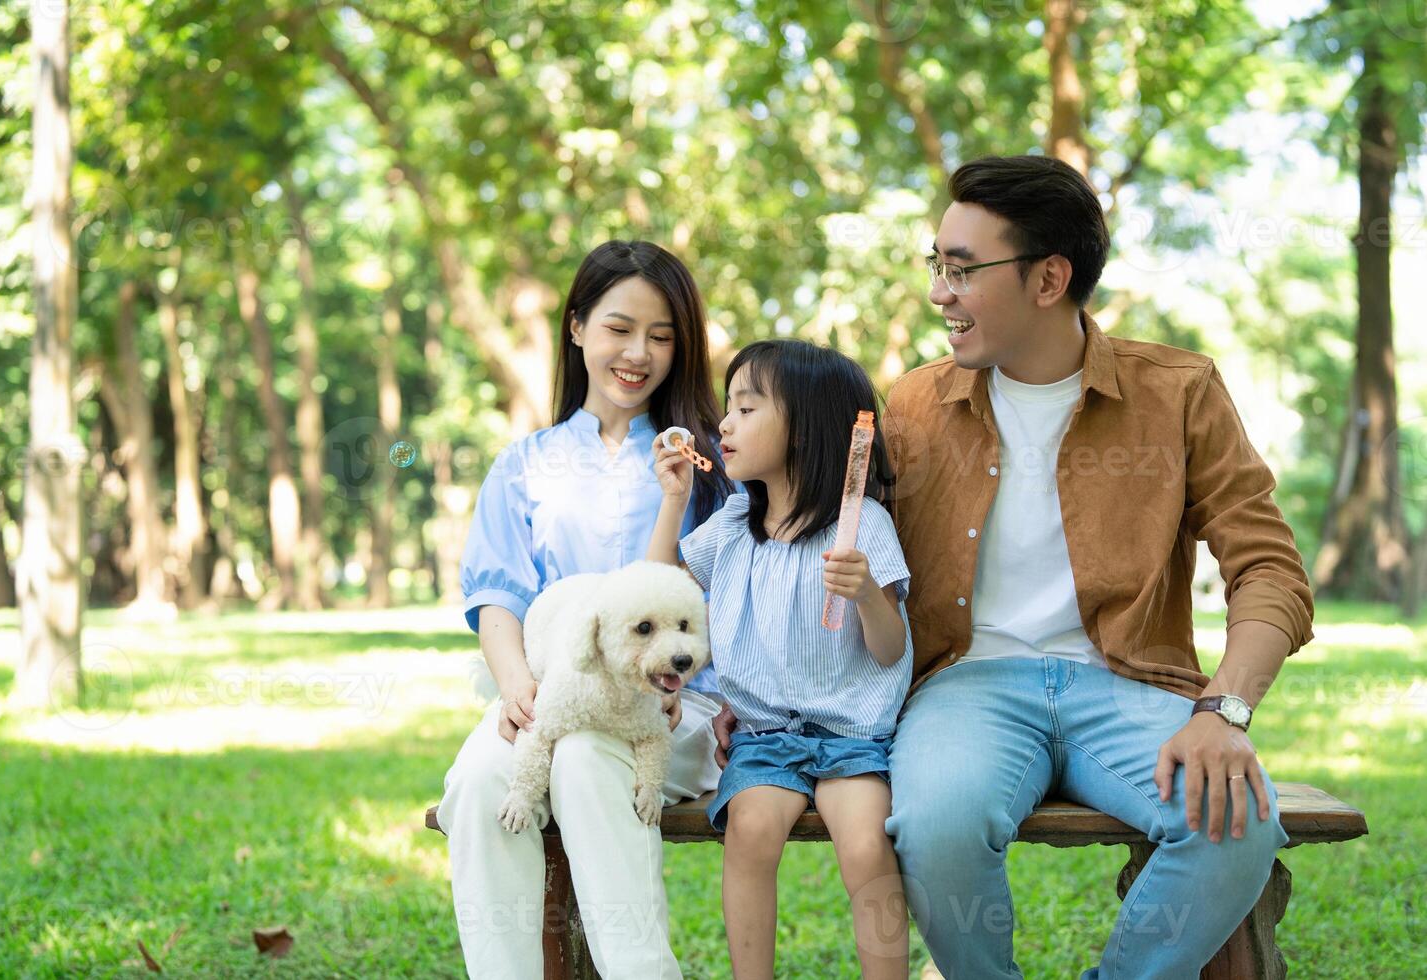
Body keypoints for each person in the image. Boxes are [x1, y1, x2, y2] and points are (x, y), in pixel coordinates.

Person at [870, 154, 1313, 978]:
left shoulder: (1178, 392)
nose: (940, 292)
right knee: (936, 821)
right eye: (937, 264)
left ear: (1048, 280)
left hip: (1133, 686)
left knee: (1239, 818)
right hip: (968, 686)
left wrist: (1226, 711)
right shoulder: (913, 406)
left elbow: (1270, 570)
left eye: (961, 270)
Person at [437, 240, 734, 979]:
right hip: (549, 692)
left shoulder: (704, 465)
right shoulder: (526, 463)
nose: (639, 353)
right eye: (619, 328)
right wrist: (515, 688)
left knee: (582, 760)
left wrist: (673, 688)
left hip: (675, 705)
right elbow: (497, 596)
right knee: (479, 784)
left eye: (662, 336)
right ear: (576, 329)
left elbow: (684, 612)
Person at [648, 339, 913, 980]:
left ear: (805, 431)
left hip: (852, 736)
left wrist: (870, 593)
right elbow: (655, 594)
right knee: (750, 832)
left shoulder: (864, 525)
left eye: (745, 408)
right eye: (727, 409)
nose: (724, 425)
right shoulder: (734, 526)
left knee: (865, 845)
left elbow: (890, 649)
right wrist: (675, 500)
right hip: (764, 738)